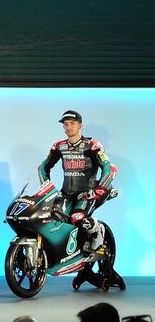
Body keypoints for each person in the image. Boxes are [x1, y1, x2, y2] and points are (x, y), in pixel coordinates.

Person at [39, 110, 117, 258]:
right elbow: (43, 168)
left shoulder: (92, 145)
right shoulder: (59, 146)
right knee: (52, 218)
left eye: (72, 123)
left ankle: (97, 231)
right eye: (66, 124)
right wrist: (46, 189)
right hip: (66, 193)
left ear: (80, 125)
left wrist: (100, 189)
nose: (69, 127)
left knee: (77, 217)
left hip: (87, 193)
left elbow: (109, 168)